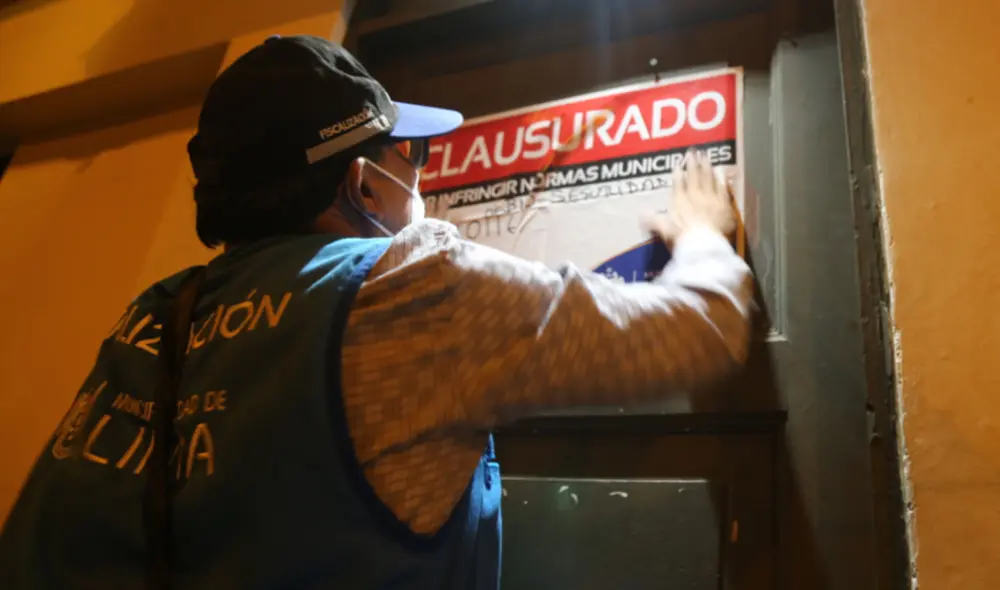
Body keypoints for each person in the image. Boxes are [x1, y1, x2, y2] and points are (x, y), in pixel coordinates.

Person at [0, 36, 752, 589]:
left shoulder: (160, 314)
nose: (422, 171)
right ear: (363, 186)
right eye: (411, 155)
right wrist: (703, 237)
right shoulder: (408, 289)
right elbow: (698, 331)